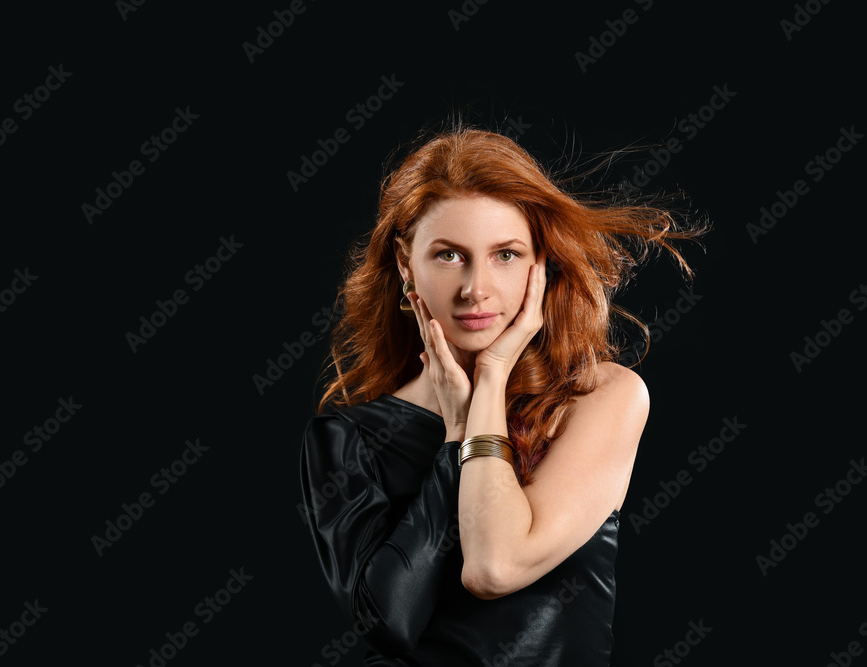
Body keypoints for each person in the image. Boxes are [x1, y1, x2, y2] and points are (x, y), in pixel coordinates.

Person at [299, 125, 703, 666]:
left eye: (505, 255)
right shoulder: (347, 440)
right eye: (448, 255)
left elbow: (495, 566)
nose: (476, 288)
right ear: (404, 263)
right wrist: (457, 436)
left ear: (541, 262)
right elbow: (389, 622)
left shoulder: (600, 398)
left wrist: (490, 379)